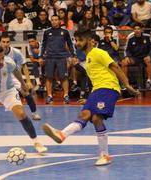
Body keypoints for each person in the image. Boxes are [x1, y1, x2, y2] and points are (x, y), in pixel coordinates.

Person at [42, 28, 139, 166]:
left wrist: (127, 85)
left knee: (96, 117)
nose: (77, 43)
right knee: (86, 114)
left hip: (108, 87)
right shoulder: (88, 57)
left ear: (89, 40)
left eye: (80, 40)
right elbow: (96, 78)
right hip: (97, 90)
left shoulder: (99, 52)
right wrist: (90, 98)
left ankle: (103, 154)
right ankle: (63, 135)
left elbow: (115, 67)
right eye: (76, 40)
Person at [0, 34, 41, 120]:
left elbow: (24, 66)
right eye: (3, 42)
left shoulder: (16, 52)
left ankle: (34, 113)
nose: (5, 44)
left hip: (14, 76)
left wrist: (28, 81)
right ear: (0, 42)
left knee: (26, 92)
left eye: (7, 42)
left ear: (10, 42)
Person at [39, 15, 76, 104]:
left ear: (59, 21)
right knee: (49, 77)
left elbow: (70, 44)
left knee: (64, 77)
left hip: (61, 57)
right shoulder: (47, 32)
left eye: (56, 20)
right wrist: (40, 57)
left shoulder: (65, 32)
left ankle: (66, 95)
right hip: (50, 57)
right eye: (52, 20)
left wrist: (73, 55)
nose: (54, 21)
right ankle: (49, 96)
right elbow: (43, 45)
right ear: (50, 21)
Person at [121, 23, 151, 89]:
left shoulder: (147, 36)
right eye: (135, 29)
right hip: (135, 58)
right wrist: (126, 57)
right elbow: (126, 49)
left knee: (148, 60)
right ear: (133, 30)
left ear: (141, 30)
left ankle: (149, 81)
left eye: (138, 29)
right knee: (123, 62)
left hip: (145, 57)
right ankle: (125, 83)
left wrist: (150, 55)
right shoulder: (130, 38)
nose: (137, 31)